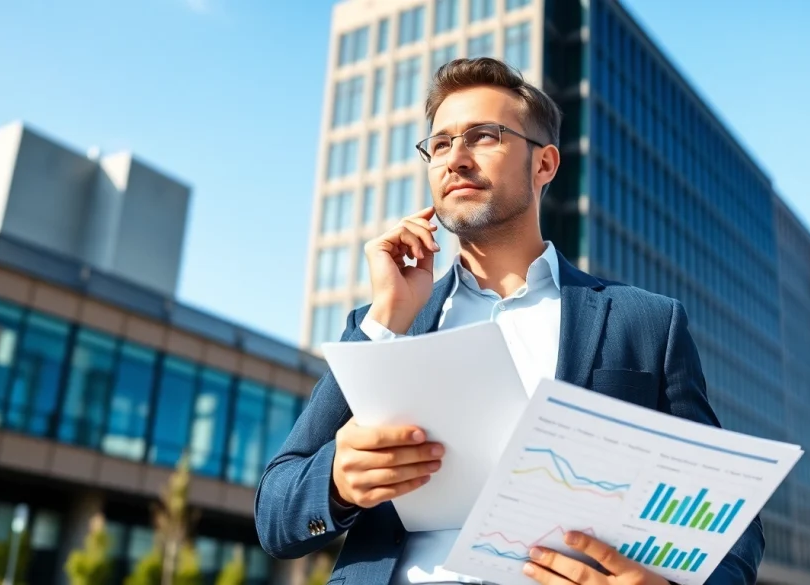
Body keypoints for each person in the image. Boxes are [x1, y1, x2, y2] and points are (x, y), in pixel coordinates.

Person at [255, 57, 764, 585]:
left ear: (544, 165)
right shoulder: (384, 320)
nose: (455, 159)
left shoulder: (645, 322)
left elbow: (733, 521)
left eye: (482, 136)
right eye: (441, 144)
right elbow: (276, 515)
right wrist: (338, 479)